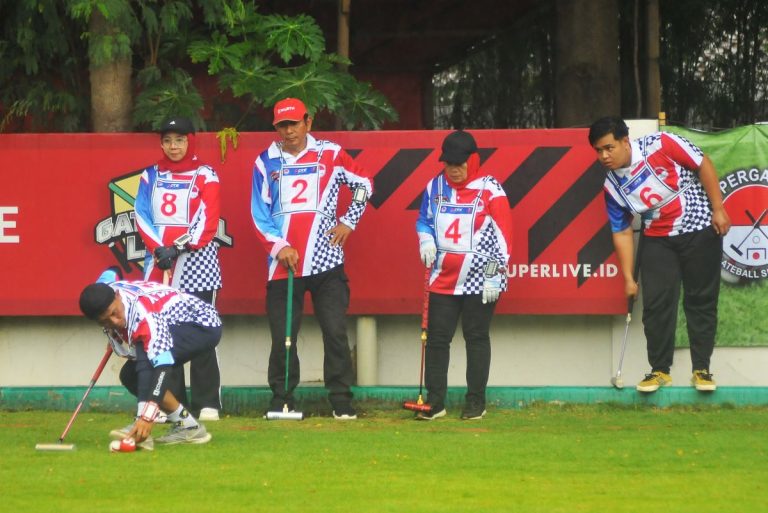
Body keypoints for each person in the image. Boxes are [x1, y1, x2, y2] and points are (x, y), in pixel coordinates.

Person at [249, 98, 373, 420]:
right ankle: (282, 399)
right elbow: (258, 213)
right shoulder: (265, 161)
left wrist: (349, 221)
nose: (288, 131)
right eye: (281, 125)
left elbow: (363, 183)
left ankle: (341, 400)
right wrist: (280, 247)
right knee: (283, 336)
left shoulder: (330, 153)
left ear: (308, 122)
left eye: (293, 123)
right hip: (283, 265)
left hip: (326, 262)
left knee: (334, 331)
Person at [588, 117, 731, 393]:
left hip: (699, 228)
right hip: (657, 238)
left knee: (700, 299)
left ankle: (701, 369)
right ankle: (659, 371)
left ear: (625, 141)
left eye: (609, 148)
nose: (604, 156)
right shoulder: (611, 186)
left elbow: (703, 164)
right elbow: (622, 231)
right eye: (598, 151)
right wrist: (629, 277)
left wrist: (718, 208)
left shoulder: (662, 143)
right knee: (656, 306)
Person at [414, 130, 513, 420]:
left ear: (474, 160)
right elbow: (424, 221)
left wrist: (495, 274)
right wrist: (425, 240)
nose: (454, 170)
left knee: (476, 336)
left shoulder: (490, 189)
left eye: (460, 164)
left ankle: (475, 401)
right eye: (449, 164)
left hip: (481, 280)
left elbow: (505, 237)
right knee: (437, 339)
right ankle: (434, 401)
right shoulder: (435, 187)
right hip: (443, 278)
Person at [134, 116, 223, 421]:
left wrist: (180, 246)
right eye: (168, 141)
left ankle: (208, 400)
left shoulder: (206, 174)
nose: (174, 147)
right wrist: (160, 248)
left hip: (198, 263)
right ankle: (171, 402)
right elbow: (141, 214)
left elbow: (207, 219)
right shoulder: (150, 175)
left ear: (191, 141)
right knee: (162, 334)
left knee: (200, 330)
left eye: (180, 140)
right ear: (162, 143)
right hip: (160, 263)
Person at [79, 276, 222, 445]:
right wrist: (113, 333)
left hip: (202, 325)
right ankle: (189, 426)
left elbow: (162, 368)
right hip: (170, 322)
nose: (114, 322)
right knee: (129, 375)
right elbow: (110, 273)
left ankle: (142, 425)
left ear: (117, 296)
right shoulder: (108, 288)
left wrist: (146, 417)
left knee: (148, 363)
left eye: (114, 313)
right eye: (104, 321)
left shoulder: (144, 316)